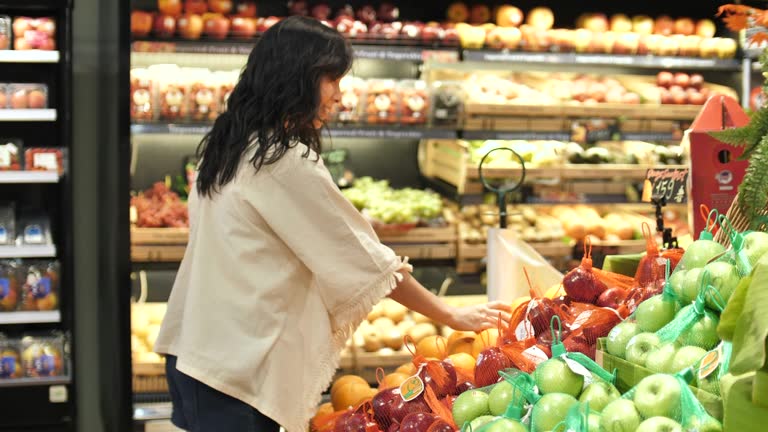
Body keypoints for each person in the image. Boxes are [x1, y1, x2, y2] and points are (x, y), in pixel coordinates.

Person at [153, 15, 512, 432]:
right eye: (333, 80)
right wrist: (452, 315)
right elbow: (369, 263)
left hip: (199, 352)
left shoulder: (233, 142)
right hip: (235, 372)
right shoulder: (282, 162)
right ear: (298, 79)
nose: (340, 96)